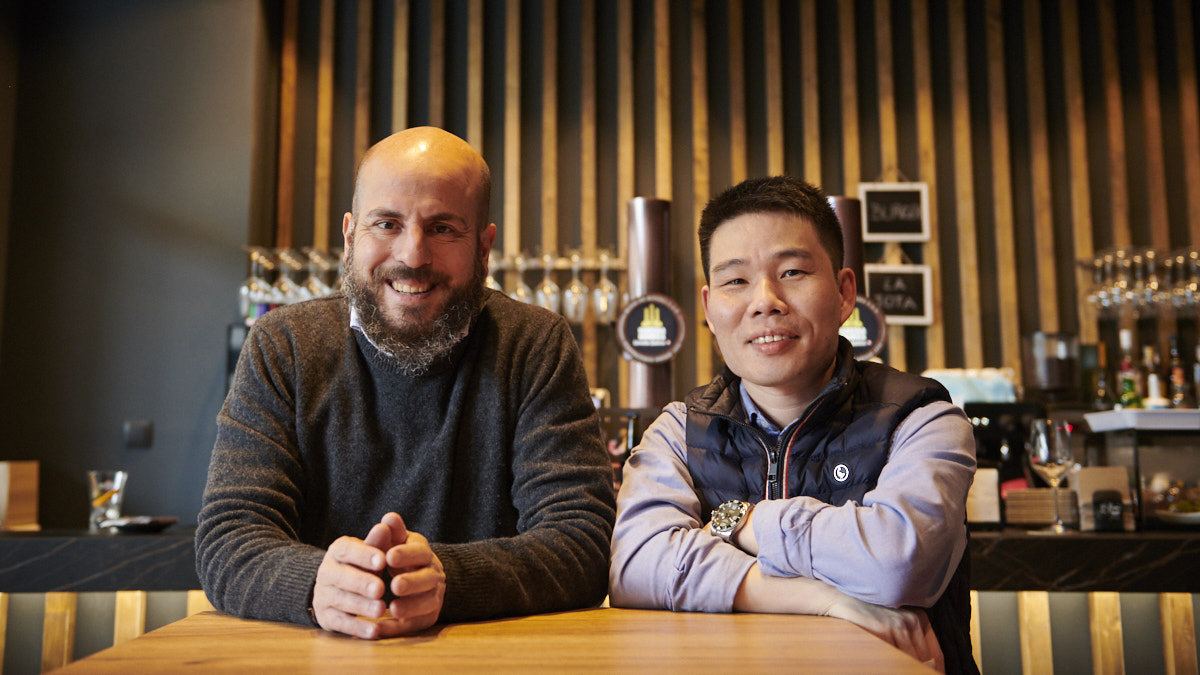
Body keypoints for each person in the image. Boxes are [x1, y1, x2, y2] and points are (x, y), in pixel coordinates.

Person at [196, 126, 616, 640]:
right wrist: (316, 585)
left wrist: (445, 581)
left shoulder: (535, 344)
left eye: (442, 229)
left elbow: (582, 543)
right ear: (350, 237)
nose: (413, 255)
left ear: (484, 246)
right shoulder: (283, 344)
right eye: (387, 223)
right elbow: (229, 537)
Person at [609, 176, 977, 673]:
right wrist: (823, 599)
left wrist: (742, 521)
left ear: (845, 292)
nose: (765, 300)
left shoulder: (921, 419)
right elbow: (634, 567)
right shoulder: (679, 431)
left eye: (793, 272)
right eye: (735, 280)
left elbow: (897, 563)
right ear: (708, 310)